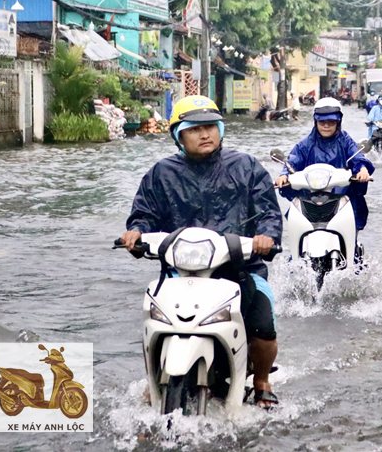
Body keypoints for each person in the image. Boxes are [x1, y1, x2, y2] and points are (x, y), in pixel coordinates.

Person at [120, 95, 283, 409]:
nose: (205, 134)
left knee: (263, 325)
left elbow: (268, 212)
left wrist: (267, 237)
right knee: (153, 322)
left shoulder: (246, 167)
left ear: (220, 129)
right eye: (195, 128)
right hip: (178, 272)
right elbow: (144, 213)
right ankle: (156, 377)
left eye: (211, 126)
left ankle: (262, 381)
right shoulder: (161, 173)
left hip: (240, 268)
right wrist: (136, 232)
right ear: (179, 136)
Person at [274, 97, 374, 262]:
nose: (326, 125)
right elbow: (292, 161)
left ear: (338, 121)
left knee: (353, 236)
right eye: (322, 122)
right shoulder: (305, 144)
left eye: (330, 122)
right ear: (315, 122)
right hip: (309, 198)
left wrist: (362, 170)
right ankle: (296, 263)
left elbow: (357, 157)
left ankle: (353, 260)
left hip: (340, 197)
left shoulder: (345, 141)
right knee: (294, 250)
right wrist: (284, 175)